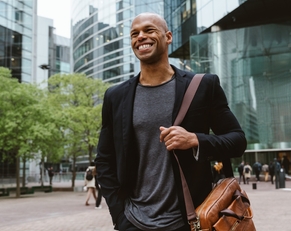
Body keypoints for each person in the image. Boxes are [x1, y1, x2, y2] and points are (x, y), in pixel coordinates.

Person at [95, 12, 247, 231]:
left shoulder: (203, 86)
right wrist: (120, 214)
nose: (141, 37)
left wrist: (195, 140)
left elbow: (237, 141)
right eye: (134, 33)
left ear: (168, 37)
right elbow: (104, 159)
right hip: (133, 221)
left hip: (190, 220)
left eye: (149, 30)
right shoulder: (115, 96)